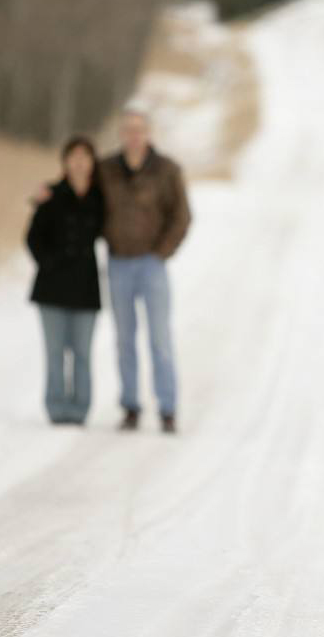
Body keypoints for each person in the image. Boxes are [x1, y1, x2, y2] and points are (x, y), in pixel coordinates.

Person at [96, 110, 191, 434]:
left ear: (148, 133)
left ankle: (168, 408)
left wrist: (162, 252)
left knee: (159, 338)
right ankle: (130, 406)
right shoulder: (106, 170)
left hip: (152, 265)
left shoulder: (166, 170)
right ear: (121, 134)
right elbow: (88, 203)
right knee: (124, 339)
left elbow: (182, 216)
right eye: (128, 130)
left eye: (139, 130)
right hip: (119, 263)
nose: (134, 136)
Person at [26, 136, 105, 425]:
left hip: (86, 288)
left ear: (93, 162)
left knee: (82, 353)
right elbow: (33, 238)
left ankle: (80, 408)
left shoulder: (101, 197)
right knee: (55, 352)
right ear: (65, 161)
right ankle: (56, 407)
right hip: (52, 287)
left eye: (85, 157)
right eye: (74, 156)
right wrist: (48, 263)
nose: (79, 163)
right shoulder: (51, 194)